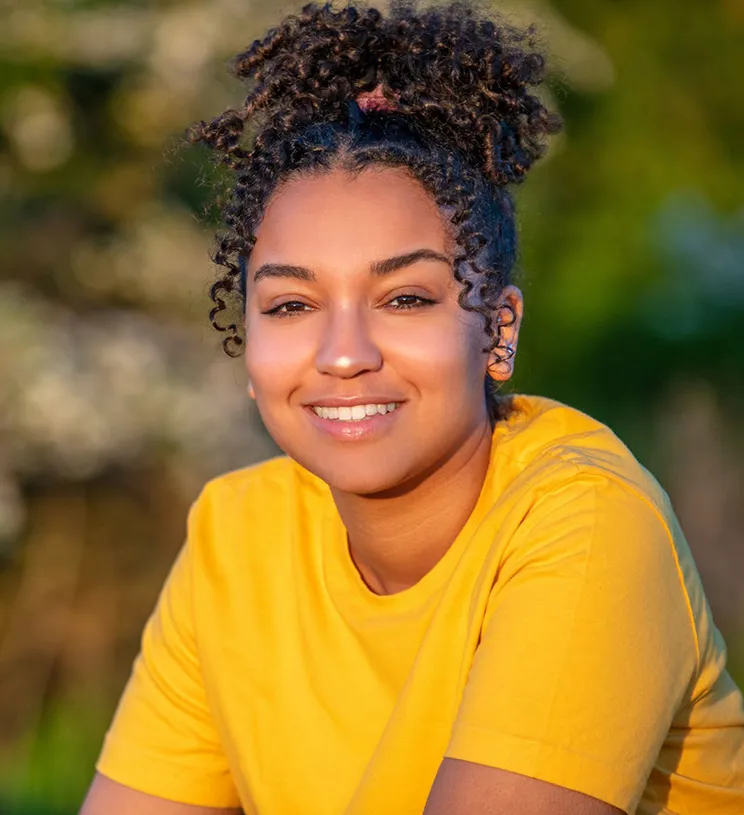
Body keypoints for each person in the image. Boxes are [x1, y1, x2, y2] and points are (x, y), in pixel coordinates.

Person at [80, 1, 744, 813]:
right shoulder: (234, 539)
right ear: (247, 350)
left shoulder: (589, 521)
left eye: (405, 297)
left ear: (496, 331)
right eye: (291, 306)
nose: (345, 351)